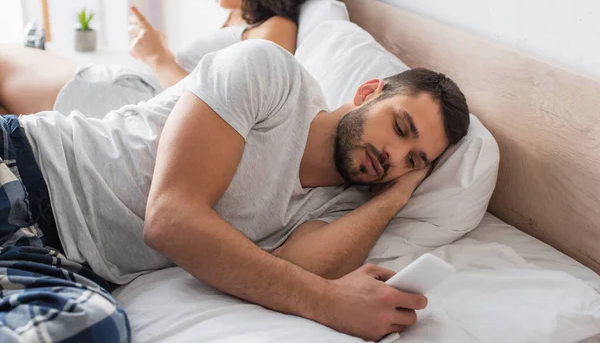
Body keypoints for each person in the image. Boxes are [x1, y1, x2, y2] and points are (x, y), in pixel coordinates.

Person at [1, 40, 470, 342]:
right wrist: (332, 302)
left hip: (57, 259)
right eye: (401, 128)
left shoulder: (346, 208)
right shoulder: (270, 75)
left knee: (94, 329)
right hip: (26, 169)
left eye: (414, 161)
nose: (393, 156)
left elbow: (280, 274)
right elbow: (170, 220)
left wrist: (395, 196)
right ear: (369, 93)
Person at [0, 0, 344, 117]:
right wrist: (156, 55)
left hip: (139, 103)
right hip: (136, 91)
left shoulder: (278, 28)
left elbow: (226, 108)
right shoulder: (241, 22)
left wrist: (159, 57)